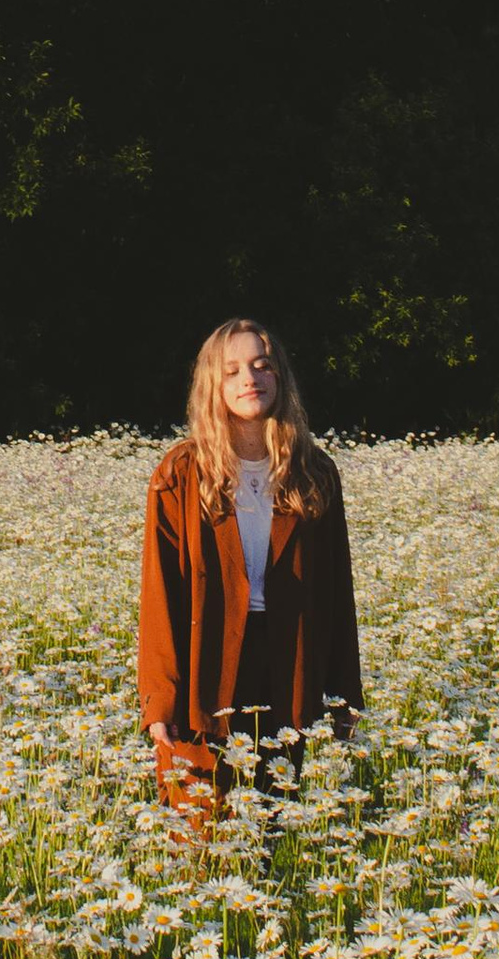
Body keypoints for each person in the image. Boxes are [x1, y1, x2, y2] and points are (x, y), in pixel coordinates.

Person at [138, 319, 363, 819]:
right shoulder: (180, 473)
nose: (250, 379)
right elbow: (160, 595)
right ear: (212, 385)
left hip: (286, 670)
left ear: (280, 377)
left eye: (262, 366)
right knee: (199, 827)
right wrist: (160, 701)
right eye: (233, 370)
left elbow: (335, 591)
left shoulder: (314, 473)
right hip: (203, 673)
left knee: (272, 825)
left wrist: (343, 694)